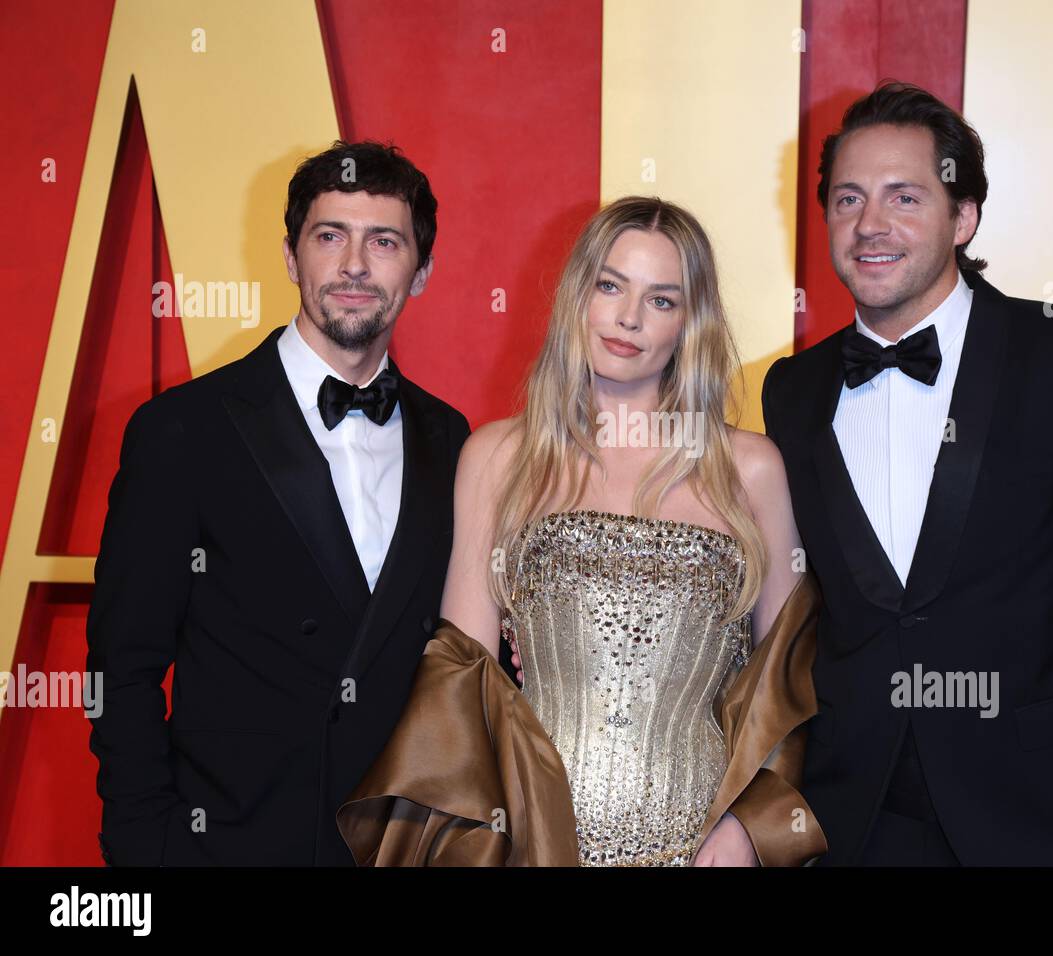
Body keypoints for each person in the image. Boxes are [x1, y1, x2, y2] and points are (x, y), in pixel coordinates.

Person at [761, 81, 1053, 866]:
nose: (870, 224)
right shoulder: (791, 391)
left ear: (962, 217)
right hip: (852, 823)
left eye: (904, 197)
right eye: (847, 200)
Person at [336, 196, 825, 866]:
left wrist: (751, 826)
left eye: (662, 300)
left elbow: (791, 684)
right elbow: (460, 684)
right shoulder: (499, 458)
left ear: (691, 323)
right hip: (534, 843)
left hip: (706, 850)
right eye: (611, 285)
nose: (628, 318)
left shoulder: (750, 469)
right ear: (578, 296)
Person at [87, 140, 469, 865]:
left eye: (384, 241)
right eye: (330, 236)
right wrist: (149, 847)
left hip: (396, 849)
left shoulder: (451, 438)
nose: (355, 264)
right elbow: (121, 666)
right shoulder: (184, 430)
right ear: (293, 257)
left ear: (420, 272)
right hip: (232, 845)